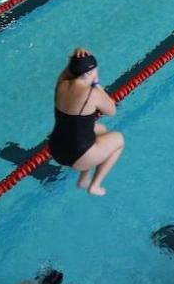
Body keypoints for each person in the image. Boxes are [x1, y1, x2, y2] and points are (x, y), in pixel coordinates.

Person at [48, 48, 124, 196]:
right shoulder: (92, 93)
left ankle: (84, 179)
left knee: (100, 129)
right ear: (90, 73)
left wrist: (75, 57)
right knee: (119, 140)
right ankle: (95, 185)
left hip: (56, 148)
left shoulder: (62, 83)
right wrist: (97, 84)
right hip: (77, 155)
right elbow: (112, 111)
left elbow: (68, 71)